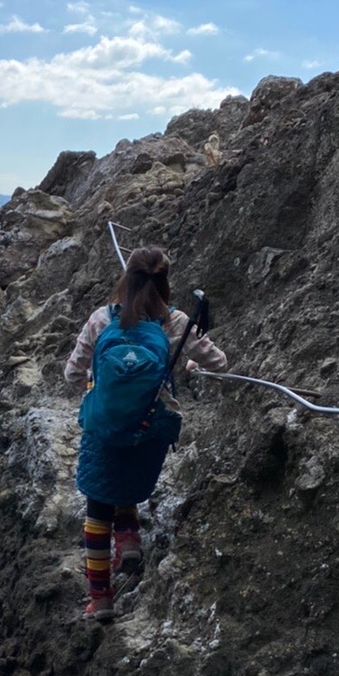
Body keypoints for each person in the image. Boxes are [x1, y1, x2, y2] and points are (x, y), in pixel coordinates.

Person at [64, 246, 228, 622]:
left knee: (97, 509)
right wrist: (187, 363)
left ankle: (100, 599)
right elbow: (219, 362)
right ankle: (128, 541)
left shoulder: (102, 319)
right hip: (151, 430)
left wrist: (102, 383)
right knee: (128, 478)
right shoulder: (176, 322)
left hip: (105, 429)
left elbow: (72, 374)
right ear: (165, 282)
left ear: (126, 278)